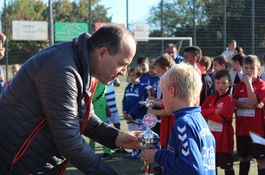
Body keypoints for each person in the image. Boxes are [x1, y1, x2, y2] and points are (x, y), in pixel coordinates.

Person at [0, 25, 139, 174]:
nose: (123, 72)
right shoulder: (62, 68)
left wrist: (116, 137)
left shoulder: (78, 62)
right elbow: (69, 141)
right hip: (14, 164)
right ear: (102, 53)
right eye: (122, 64)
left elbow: (84, 117)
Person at [142, 63, 216, 175]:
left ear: (171, 90)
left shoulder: (182, 124)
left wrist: (157, 155)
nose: (162, 99)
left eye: (163, 93)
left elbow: (192, 168)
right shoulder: (199, 119)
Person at [233, 55, 265, 175]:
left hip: (257, 131)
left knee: (261, 160)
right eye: (246, 68)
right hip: (242, 131)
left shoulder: (261, 85)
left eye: (252, 68)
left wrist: (249, 84)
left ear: (258, 70)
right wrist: (248, 106)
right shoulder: (239, 86)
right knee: (243, 159)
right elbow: (234, 102)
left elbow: (254, 101)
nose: (249, 71)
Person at [202, 70, 235, 175]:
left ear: (229, 83)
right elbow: (201, 113)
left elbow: (222, 118)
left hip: (224, 141)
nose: (220, 85)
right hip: (211, 141)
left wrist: (210, 114)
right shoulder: (210, 98)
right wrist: (213, 111)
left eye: (223, 83)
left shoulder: (229, 99)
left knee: (228, 168)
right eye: (218, 83)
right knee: (212, 168)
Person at [122, 67, 147, 159]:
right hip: (129, 116)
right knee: (132, 134)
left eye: (133, 75)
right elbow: (124, 100)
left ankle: (141, 151)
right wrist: (124, 112)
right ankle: (134, 151)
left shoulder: (141, 87)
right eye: (130, 75)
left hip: (138, 116)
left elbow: (140, 103)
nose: (131, 77)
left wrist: (131, 114)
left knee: (139, 134)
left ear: (138, 76)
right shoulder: (128, 87)